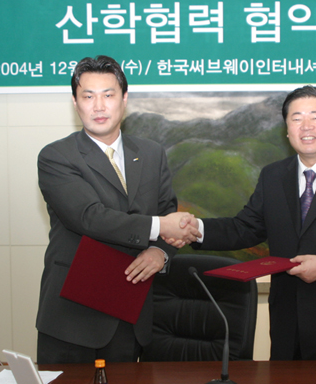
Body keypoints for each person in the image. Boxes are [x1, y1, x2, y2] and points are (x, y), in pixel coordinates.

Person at [185, 85, 316, 360]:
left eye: (315, 117)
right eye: (296, 118)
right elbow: (246, 227)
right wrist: (197, 230)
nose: (306, 126)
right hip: (288, 321)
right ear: (287, 130)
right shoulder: (273, 175)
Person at [36, 55, 199, 363]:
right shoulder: (57, 156)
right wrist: (160, 227)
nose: (99, 106)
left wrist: (160, 252)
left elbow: (167, 209)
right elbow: (89, 217)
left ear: (124, 99)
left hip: (130, 312)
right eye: (88, 96)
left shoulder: (151, 153)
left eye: (108, 95)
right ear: (75, 102)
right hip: (74, 316)